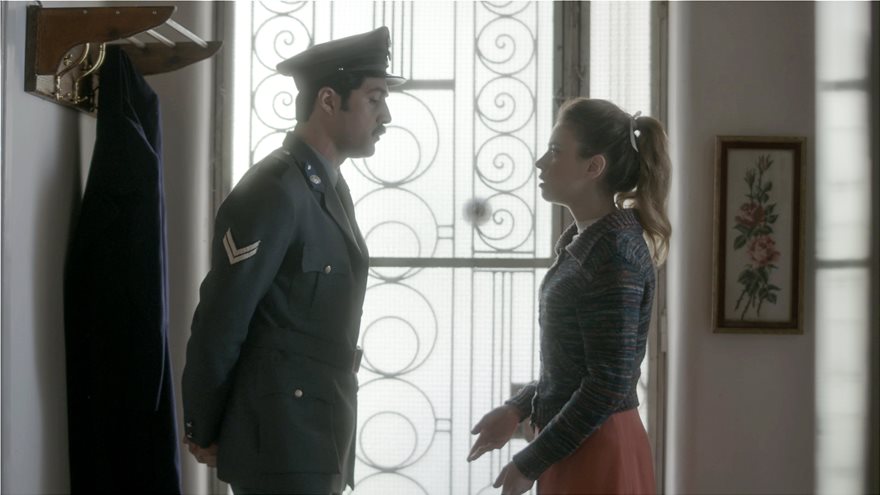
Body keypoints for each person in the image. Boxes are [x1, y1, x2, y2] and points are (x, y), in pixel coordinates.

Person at [181, 27, 404, 495]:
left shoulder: (328, 187)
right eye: (374, 99)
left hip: (316, 435)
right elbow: (222, 318)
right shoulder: (274, 189)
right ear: (328, 100)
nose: (385, 116)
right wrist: (205, 424)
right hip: (280, 441)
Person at [467, 97, 671, 495]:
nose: (541, 162)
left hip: (599, 447)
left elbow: (607, 383)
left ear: (594, 167)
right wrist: (517, 408)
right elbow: (577, 366)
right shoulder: (589, 243)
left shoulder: (614, 253)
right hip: (580, 440)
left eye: (556, 151)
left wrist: (531, 461)